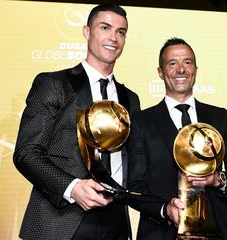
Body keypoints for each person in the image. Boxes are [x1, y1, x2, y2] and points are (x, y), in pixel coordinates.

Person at [13, 4, 140, 240]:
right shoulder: (53, 84)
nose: (114, 37)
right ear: (86, 31)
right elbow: (26, 153)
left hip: (115, 223)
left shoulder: (130, 99)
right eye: (105, 27)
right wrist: (72, 188)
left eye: (121, 32)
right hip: (59, 218)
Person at [127, 37, 227, 240]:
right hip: (161, 233)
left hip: (218, 233)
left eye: (187, 62)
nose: (181, 70)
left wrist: (217, 180)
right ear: (160, 72)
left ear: (195, 69)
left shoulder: (219, 117)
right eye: (172, 63)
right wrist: (165, 209)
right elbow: (135, 187)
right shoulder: (142, 121)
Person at [0, 94, 30, 240]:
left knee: (24, 198)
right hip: (9, 162)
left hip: (25, 162)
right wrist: (12, 146)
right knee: (7, 199)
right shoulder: (9, 119)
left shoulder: (30, 122)